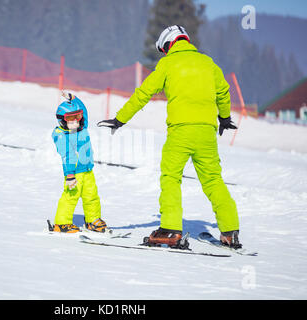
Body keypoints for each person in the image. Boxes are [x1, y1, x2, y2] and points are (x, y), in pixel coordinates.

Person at [98, 25, 241, 249]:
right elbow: (223, 91)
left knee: (171, 177)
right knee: (213, 180)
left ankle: (171, 229)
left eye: (163, 49)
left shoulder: (167, 64)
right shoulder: (208, 63)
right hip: (207, 132)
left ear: (168, 44)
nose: (164, 54)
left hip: (181, 132)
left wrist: (120, 119)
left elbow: (144, 93)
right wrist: (224, 118)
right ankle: (230, 232)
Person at [50, 92, 107, 233]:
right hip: (74, 174)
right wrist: (69, 175)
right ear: (62, 120)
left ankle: (92, 220)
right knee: (70, 197)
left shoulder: (82, 127)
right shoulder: (62, 135)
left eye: (78, 117)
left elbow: (84, 110)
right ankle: (62, 223)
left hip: (87, 170)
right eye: (71, 119)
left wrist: (73, 99)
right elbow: (67, 155)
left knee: (92, 196)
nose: (76, 122)